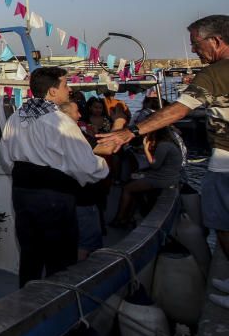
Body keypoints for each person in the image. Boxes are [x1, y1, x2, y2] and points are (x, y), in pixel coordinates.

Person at [98, 15, 229, 308]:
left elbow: (178, 111)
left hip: (226, 161)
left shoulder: (214, 74)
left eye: (196, 44)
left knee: (222, 222)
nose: (195, 51)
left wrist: (128, 133)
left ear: (216, 41)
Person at [1, 67, 110, 287]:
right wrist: (102, 164)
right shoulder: (59, 121)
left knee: (30, 255)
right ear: (52, 92)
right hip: (53, 197)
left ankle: (28, 303)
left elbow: (6, 158)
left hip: (22, 193)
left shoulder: (15, 117)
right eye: (65, 85)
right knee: (59, 260)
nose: (69, 90)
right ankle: (58, 308)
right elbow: (86, 166)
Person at [111, 127, 183, 228]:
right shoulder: (169, 143)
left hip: (162, 179)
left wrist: (146, 148)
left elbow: (154, 165)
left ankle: (120, 218)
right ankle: (128, 217)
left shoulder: (163, 145)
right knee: (134, 179)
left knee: (127, 188)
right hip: (166, 176)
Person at [61, 102, 106, 259]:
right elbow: (103, 150)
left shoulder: (53, 134)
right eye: (76, 112)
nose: (80, 115)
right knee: (86, 242)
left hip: (67, 194)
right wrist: (120, 126)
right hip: (83, 196)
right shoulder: (76, 136)